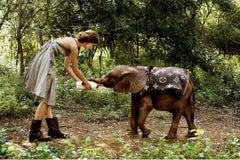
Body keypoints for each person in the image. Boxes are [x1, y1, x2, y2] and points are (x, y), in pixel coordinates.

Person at [23, 29, 100, 142]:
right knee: (45, 99)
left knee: (48, 98)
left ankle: (53, 130)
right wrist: (86, 82)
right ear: (88, 41)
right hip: (47, 60)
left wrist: (80, 82)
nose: (91, 48)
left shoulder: (73, 44)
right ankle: (34, 133)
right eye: (92, 45)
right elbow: (75, 69)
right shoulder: (74, 47)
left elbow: (67, 67)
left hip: (45, 57)